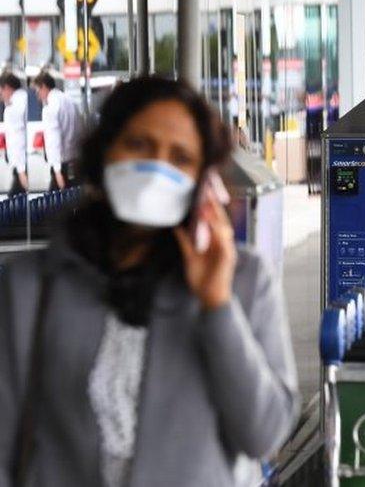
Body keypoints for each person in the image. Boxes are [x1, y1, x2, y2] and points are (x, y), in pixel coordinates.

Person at [0, 77, 299, 486]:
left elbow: (263, 434)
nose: (157, 168)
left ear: (203, 181)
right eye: (139, 145)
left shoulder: (244, 280)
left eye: (179, 157)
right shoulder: (32, 286)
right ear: (104, 154)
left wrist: (217, 304)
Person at [33, 71, 84, 190]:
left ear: (44, 87)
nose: (37, 95)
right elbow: (81, 128)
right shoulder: (69, 100)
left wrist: (57, 171)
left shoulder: (49, 108)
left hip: (61, 164)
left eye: (37, 90)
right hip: (75, 160)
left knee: (53, 204)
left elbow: (53, 140)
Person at [1, 72, 28, 196]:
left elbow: (18, 139)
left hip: (20, 164)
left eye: (1, 91)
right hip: (20, 164)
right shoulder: (22, 99)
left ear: (7, 88)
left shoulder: (13, 109)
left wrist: (21, 169)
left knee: (14, 200)